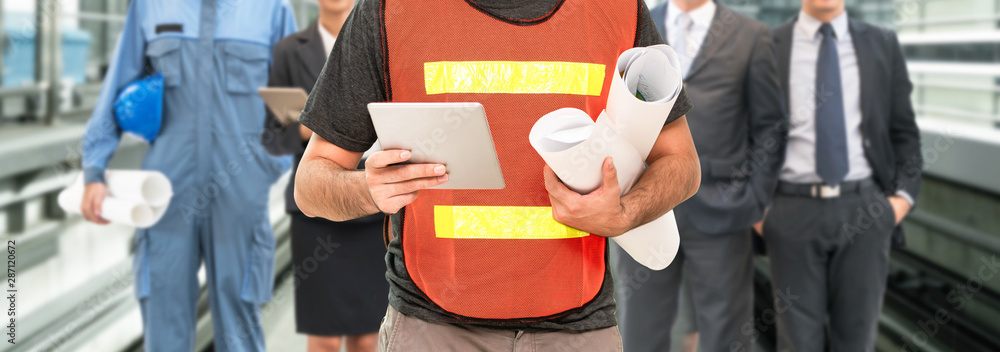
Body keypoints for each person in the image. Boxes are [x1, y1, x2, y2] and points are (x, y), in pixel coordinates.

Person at [292, 0, 702, 350]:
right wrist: (368, 189)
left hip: (578, 329)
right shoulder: (389, 10)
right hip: (432, 329)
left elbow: (682, 163)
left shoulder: (617, 9)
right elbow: (311, 184)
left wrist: (625, 213)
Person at [79, 0, 296, 350]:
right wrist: (94, 168)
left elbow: (292, 105)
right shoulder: (150, 7)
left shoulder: (271, 9)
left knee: (239, 323)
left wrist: (266, 169)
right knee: (163, 314)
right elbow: (117, 84)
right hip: (165, 191)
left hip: (240, 192)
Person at [611, 0, 786, 350]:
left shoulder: (752, 36)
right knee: (640, 324)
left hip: (724, 210)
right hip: (645, 205)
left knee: (727, 329)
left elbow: (771, 126)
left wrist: (753, 200)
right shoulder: (629, 24)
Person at [762, 0, 922, 349]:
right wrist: (759, 213)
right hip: (791, 212)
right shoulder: (768, 46)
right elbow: (744, 131)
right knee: (797, 343)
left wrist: (900, 201)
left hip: (865, 209)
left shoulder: (881, 44)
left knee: (857, 340)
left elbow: (904, 131)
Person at [261, 0, 387, 351]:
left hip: (375, 209)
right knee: (324, 335)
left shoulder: (380, 37)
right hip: (315, 213)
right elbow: (270, 134)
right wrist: (312, 130)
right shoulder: (289, 51)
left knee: (369, 335)